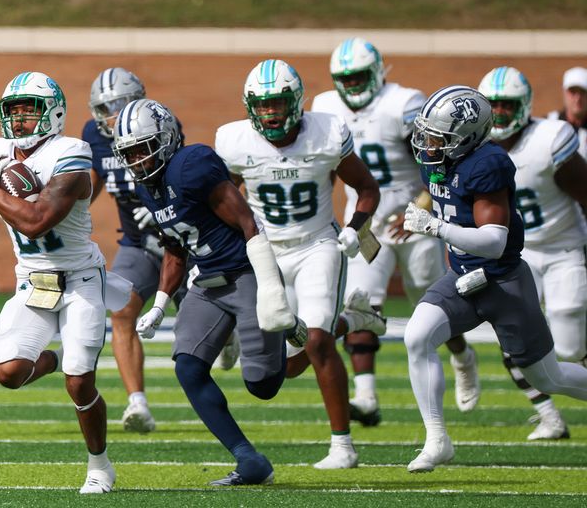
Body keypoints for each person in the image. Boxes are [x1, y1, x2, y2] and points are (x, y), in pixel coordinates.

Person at [113, 97, 305, 485]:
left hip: (245, 274)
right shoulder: (148, 187)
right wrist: (161, 304)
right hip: (207, 282)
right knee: (188, 366)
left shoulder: (192, 165)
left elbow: (249, 223)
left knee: (262, 386)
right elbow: (174, 249)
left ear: (166, 141)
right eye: (129, 153)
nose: (137, 160)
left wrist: (269, 287)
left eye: (143, 149)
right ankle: (248, 459)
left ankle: (309, 332)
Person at [402, 85, 587, 473]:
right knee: (416, 336)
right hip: (462, 277)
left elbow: (493, 241)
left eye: (437, 136)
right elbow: (442, 192)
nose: (427, 142)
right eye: (427, 132)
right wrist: (424, 210)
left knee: (549, 376)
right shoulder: (439, 157)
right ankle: (437, 439)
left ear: (465, 138)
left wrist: (435, 228)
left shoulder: (488, 163)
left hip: (502, 281)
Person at [215, 59, 388, 469]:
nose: (270, 112)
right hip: (267, 252)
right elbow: (224, 200)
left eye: (277, 103)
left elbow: (366, 187)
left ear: (296, 102)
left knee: (317, 342)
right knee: (287, 367)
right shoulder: (236, 141)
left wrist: (355, 227)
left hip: (317, 246)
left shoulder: (327, 132)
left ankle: (343, 446)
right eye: (262, 104)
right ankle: (355, 320)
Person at [311, 38, 481, 425]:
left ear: (378, 72)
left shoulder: (403, 103)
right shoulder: (324, 107)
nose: (352, 85)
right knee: (361, 302)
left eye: (358, 76)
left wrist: (421, 205)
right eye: (345, 78)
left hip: (415, 218)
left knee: (430, 295)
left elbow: (441, 159)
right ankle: (366, 395)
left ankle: (461, 356)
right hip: (365, 222)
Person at [0, 71, 114, 494]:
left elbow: (35, 222)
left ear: (53, 113)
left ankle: (99, 465)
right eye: (13, 111)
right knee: (9, 373)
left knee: (80, 380)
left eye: (29, 111)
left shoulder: (71, 153)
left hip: (81, 279)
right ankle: (49, 360)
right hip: (32, 281)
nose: (19, 120)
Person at [82, 68, 238, 433]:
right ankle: (137, 403)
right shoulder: (93, 136)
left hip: (176, 238)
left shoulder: (156, 123)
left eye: (120, 104)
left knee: (195, 318)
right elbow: (92, 182)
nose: (113, 113)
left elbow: (175, 178)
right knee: (120, 312)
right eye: (105, 107)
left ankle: (227, 333)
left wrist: (157, 207)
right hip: (136, 241)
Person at [478, 66, 587, 440]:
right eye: (493, 106)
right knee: (511, 335)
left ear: (523, 105)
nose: (500, 113)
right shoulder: (474, 147)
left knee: (570, 345)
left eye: (507, 105)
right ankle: (548, 416)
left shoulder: (550, 139)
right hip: (513, 256)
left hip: (562, 247)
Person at [548, 67, 587, 154]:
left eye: (582, 92)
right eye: (573, 92)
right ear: (564, 92)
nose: (577, 98)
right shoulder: (548, 124)